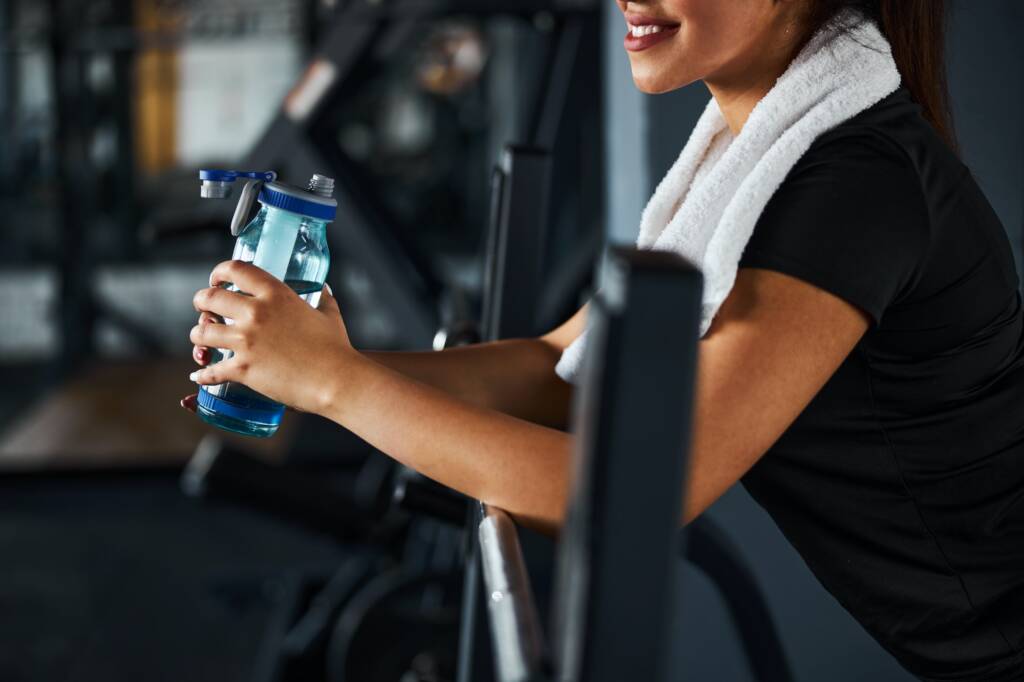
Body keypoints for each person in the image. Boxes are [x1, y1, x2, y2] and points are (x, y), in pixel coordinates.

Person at [181, 1, 1024, 679]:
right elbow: (561, 366)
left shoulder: (854, 184)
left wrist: (338, 386)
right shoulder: (751, 149)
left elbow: (642, 495)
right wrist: (315, 362)